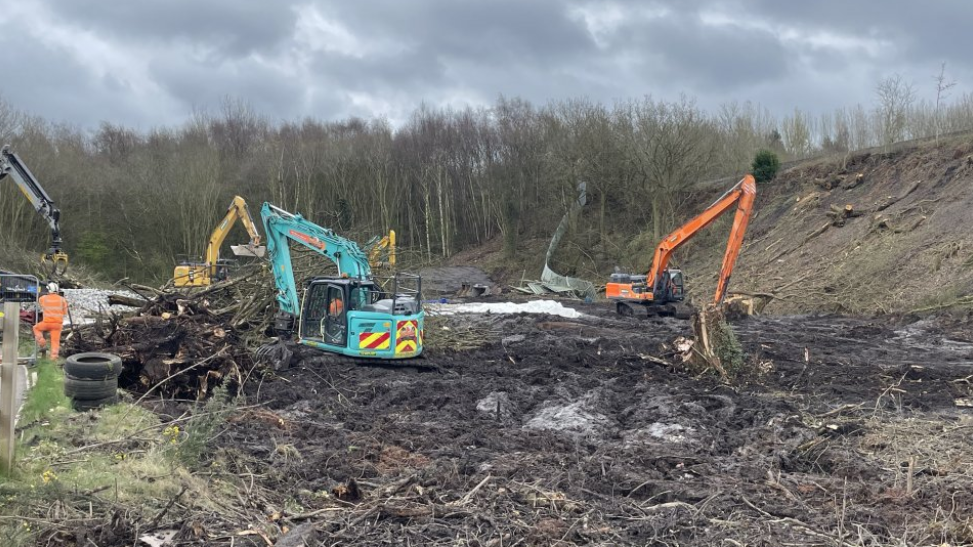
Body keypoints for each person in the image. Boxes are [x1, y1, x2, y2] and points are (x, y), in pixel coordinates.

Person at [33, 282, 68, 359]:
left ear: (49, 290)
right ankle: (54, 358)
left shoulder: (43, 298)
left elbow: (40, 303)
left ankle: (42, 342)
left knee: (35, 328)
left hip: (46, 323)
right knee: (55, 342)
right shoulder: (63, 300)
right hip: (57, 325)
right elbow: (65, 312)